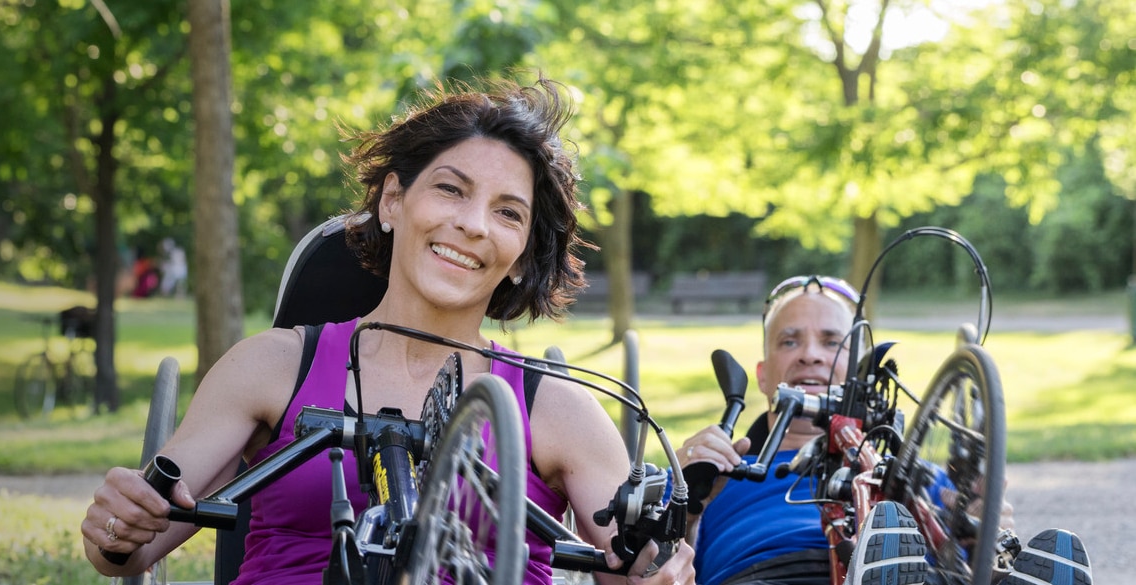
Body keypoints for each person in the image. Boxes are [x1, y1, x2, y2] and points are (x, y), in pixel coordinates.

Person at [83, 77, 695, 585]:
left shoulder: (559, 411)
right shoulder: (270, 367)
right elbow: (131, 551)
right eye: (451, 190)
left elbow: (633, 568)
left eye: (508, 212)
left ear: (523, 250)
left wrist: (660, 570)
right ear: (393, 201)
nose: (473, 225)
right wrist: (118, 522)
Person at [678, 275, 1092, 585]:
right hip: (769, 574)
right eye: (789, 342)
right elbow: (652, 565)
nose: (809, 356)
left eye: (831, 342)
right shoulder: (717, 470)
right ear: (763, 377)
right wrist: (685, 503)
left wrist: (985, 529)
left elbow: (973, 549)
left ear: (860, 372)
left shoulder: (913, 473)